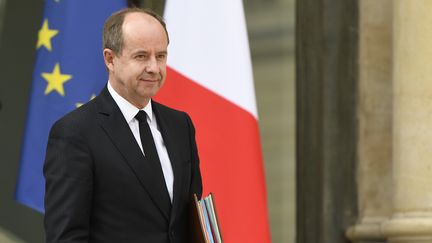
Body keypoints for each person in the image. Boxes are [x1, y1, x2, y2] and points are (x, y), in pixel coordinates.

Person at [43, 8, 202, 243]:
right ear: (110, 59)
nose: (154, 68)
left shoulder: (181, 126)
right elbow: (66, 237)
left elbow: (191, 223)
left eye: (160, 56)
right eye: (141, 56)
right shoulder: (74, 133)